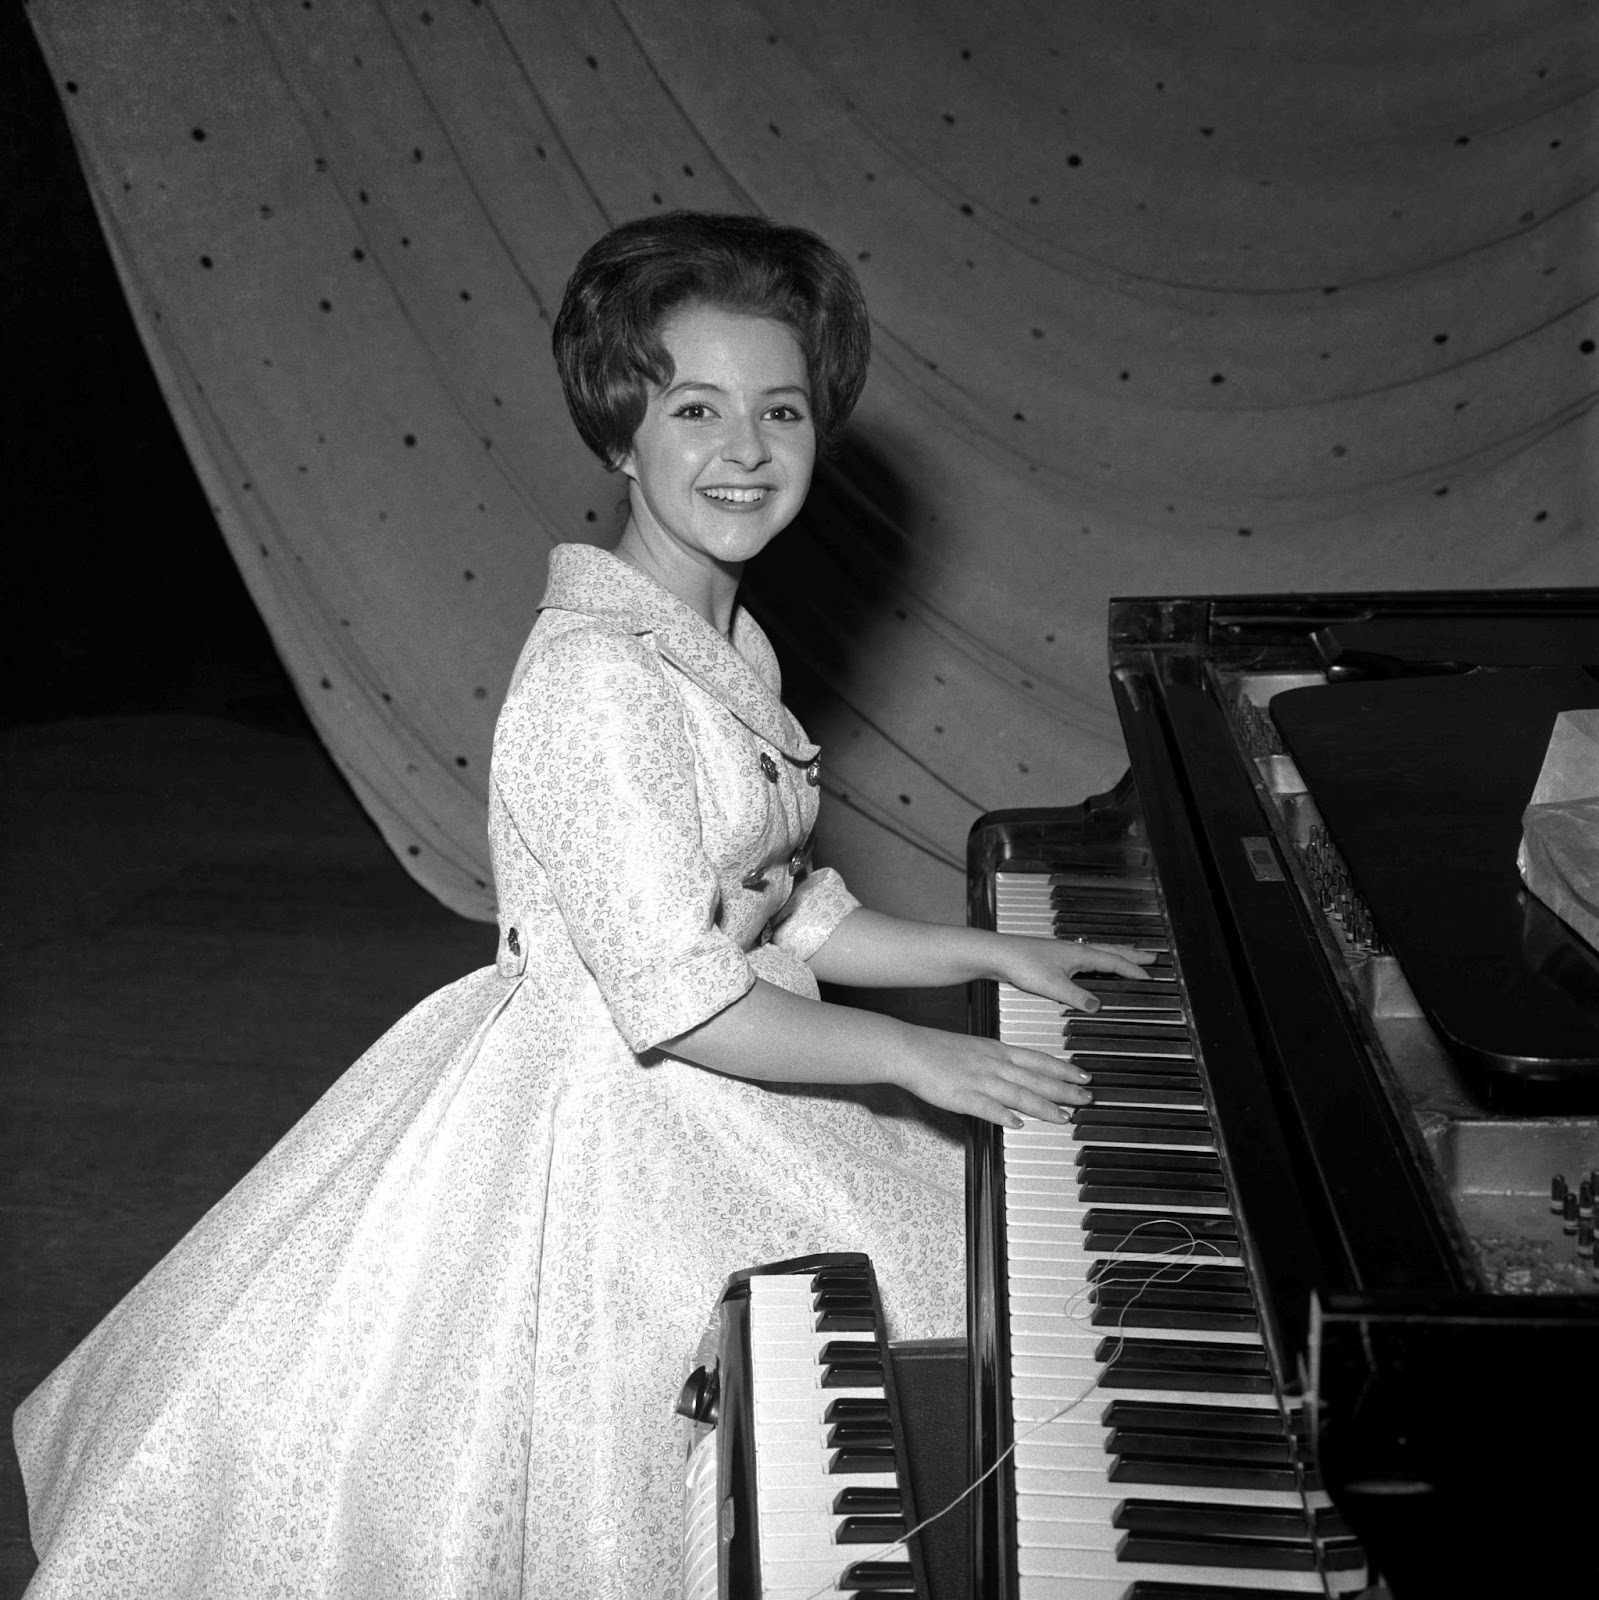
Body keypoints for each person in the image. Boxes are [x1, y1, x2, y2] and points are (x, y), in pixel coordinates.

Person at [13, 211, 1148, 1597]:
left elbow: (783, 916)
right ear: (624, 432)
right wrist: (922, 1051)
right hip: (621, 1098)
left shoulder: (723, 638)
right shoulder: (600, 683)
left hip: (733, 1042)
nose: (746, 451)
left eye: (781, 411)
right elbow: (685, 1001)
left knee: (952, 1294)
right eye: (697, 408)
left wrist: (985, 953)